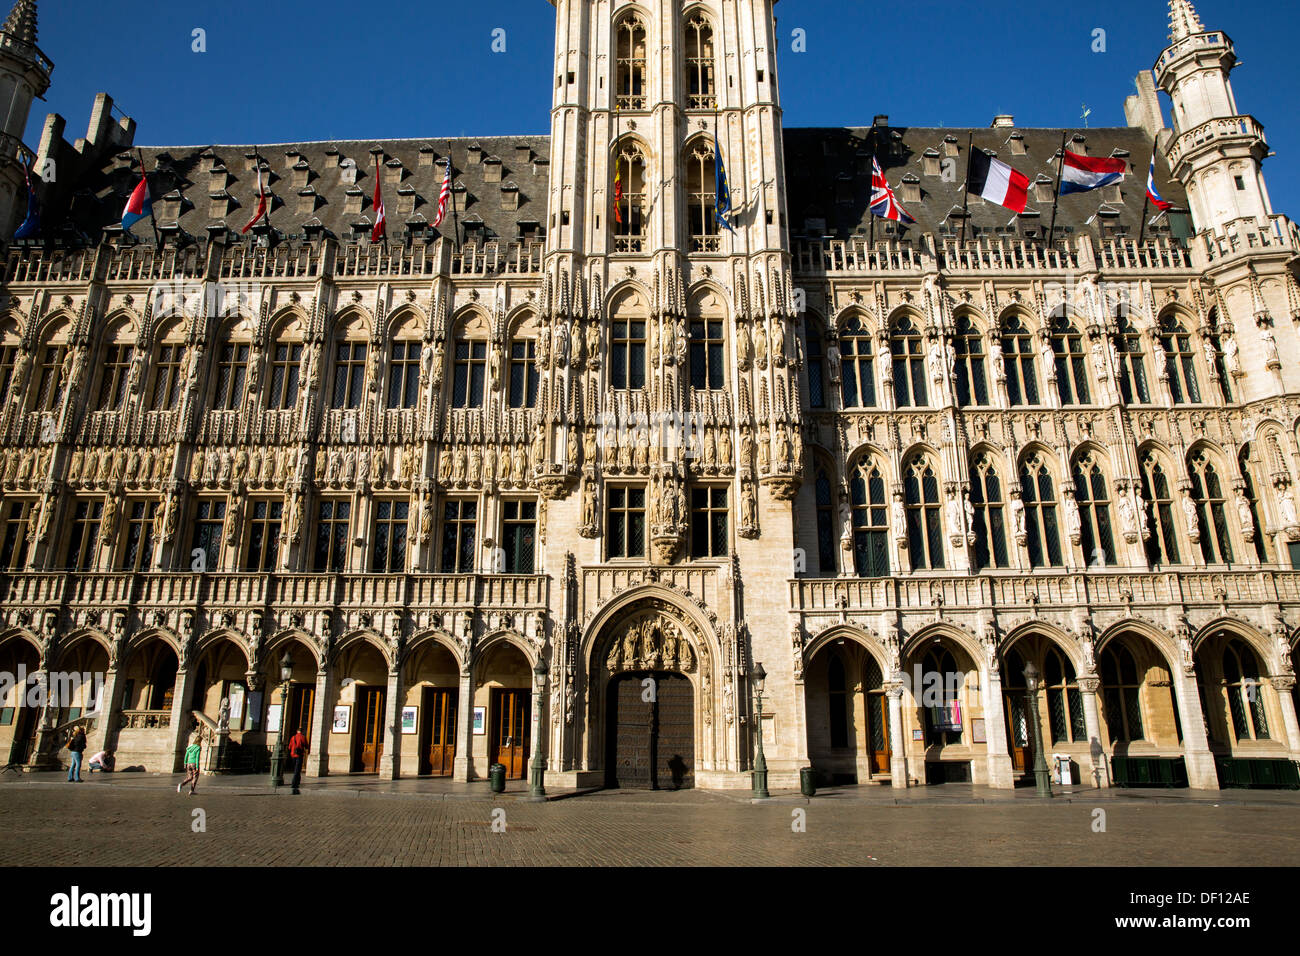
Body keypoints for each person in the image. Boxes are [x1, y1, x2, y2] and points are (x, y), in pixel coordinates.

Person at [287, 727, 309, 795]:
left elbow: (289, 747)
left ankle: (297, 782)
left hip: (293, 755)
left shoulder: (293, 737)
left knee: (296, 769)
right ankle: (294, 783)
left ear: (297, 731)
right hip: (299, 755)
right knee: (297, 770)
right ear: (301, 731)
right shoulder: (303, 737)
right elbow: (306, 746)